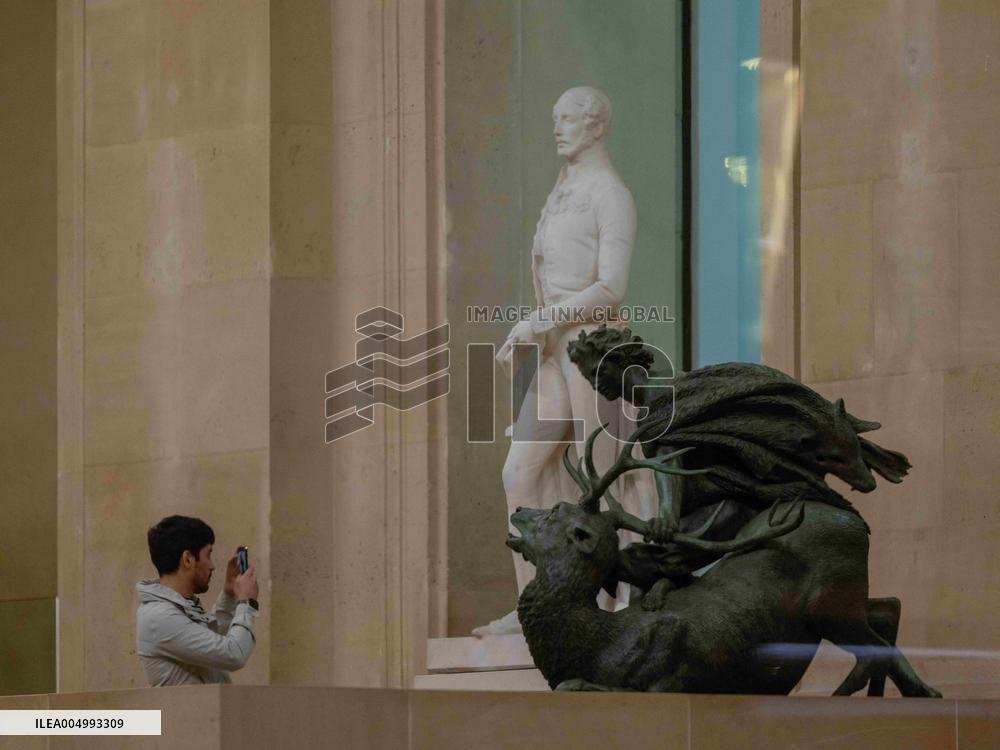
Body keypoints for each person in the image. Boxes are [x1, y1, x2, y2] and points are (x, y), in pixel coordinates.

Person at [473, 87, 655, 636]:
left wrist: (539, 323)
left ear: (596, 126)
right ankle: (539, 602)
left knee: (606, 468)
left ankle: (633, 593)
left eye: (568, 119)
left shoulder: (610, 194)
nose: (558, 128)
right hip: (557, 349)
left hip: (595, 348)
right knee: (519, 471)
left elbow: (611, 287)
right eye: (554, 119)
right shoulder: (562, 192)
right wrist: (535, 332)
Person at [136, 515, 259, 686]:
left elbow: (214, 642)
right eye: (208, 555)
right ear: (188, 559)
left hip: (206, 712)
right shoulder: (160, 617)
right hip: (186, 713)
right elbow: (233, 654)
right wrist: (247, 603)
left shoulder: (177, 607)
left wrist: (229, 594)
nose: (212, 566)